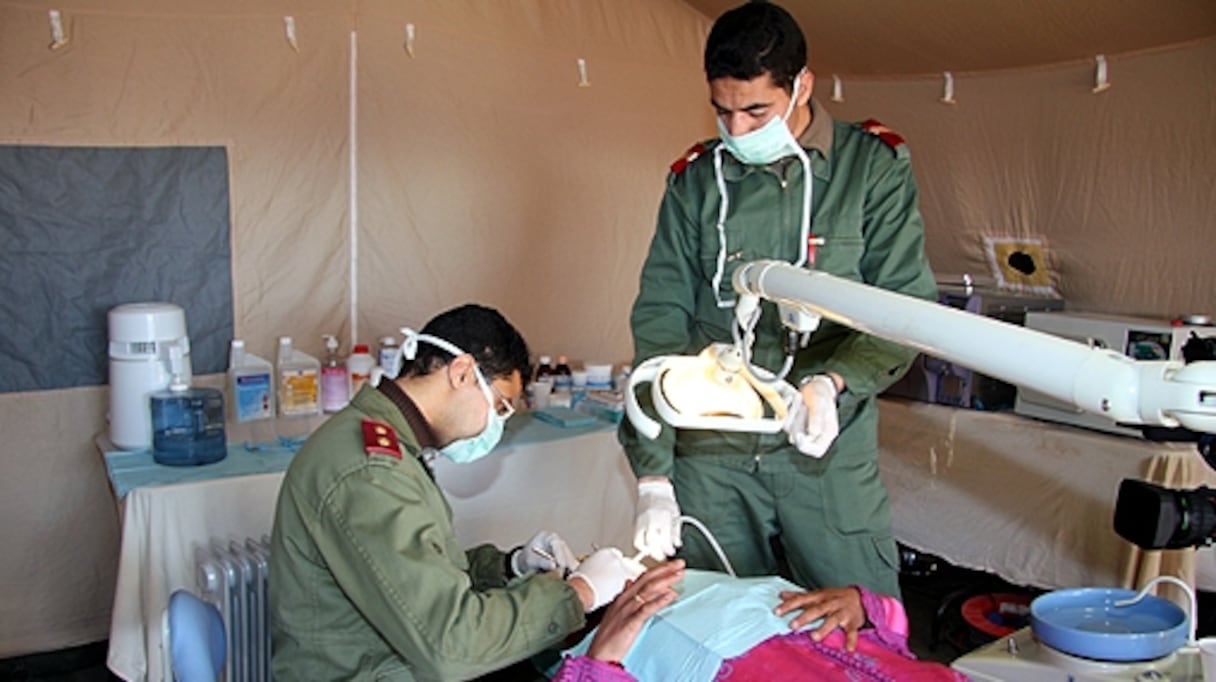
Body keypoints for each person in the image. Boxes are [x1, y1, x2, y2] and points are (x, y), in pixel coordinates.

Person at [619, 0, 938, 633]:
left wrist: (832, 383)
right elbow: (660, 322)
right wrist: (654, 473)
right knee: (715, 629)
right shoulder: (695, 181)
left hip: (821, 444)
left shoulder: (869, 168)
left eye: (757, 111)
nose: (737, 130)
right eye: (722, 110)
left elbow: (907, 308)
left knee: (859, 623)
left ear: (803, 87)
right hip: (712, 449)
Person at [270, 303, 642, 681]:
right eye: (499, 406)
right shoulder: (369, 472)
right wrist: (580, 593)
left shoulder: (387, 444)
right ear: (462, 372)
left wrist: (508, 566)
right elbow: (451, 645)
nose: (497, 425)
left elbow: (414, 574)